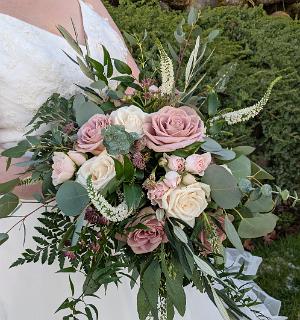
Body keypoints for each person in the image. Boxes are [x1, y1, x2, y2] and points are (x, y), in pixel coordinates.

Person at [0, 1, 285, 319]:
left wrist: (166, 153)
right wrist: (84, 173)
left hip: (127, 209)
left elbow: (137, 93)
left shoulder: (89, 2)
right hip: (32, 215)